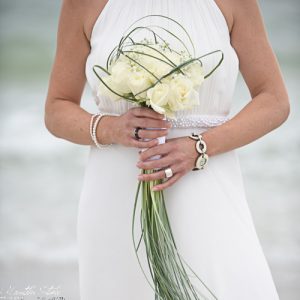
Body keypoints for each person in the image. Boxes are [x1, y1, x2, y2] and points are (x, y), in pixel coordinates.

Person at [44, 0, 290, 299]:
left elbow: (274, 100)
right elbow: (57, 109)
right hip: (117, 189)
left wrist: (200, 146)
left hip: (206, 181)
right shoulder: (83, 5)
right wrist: (111, 127)